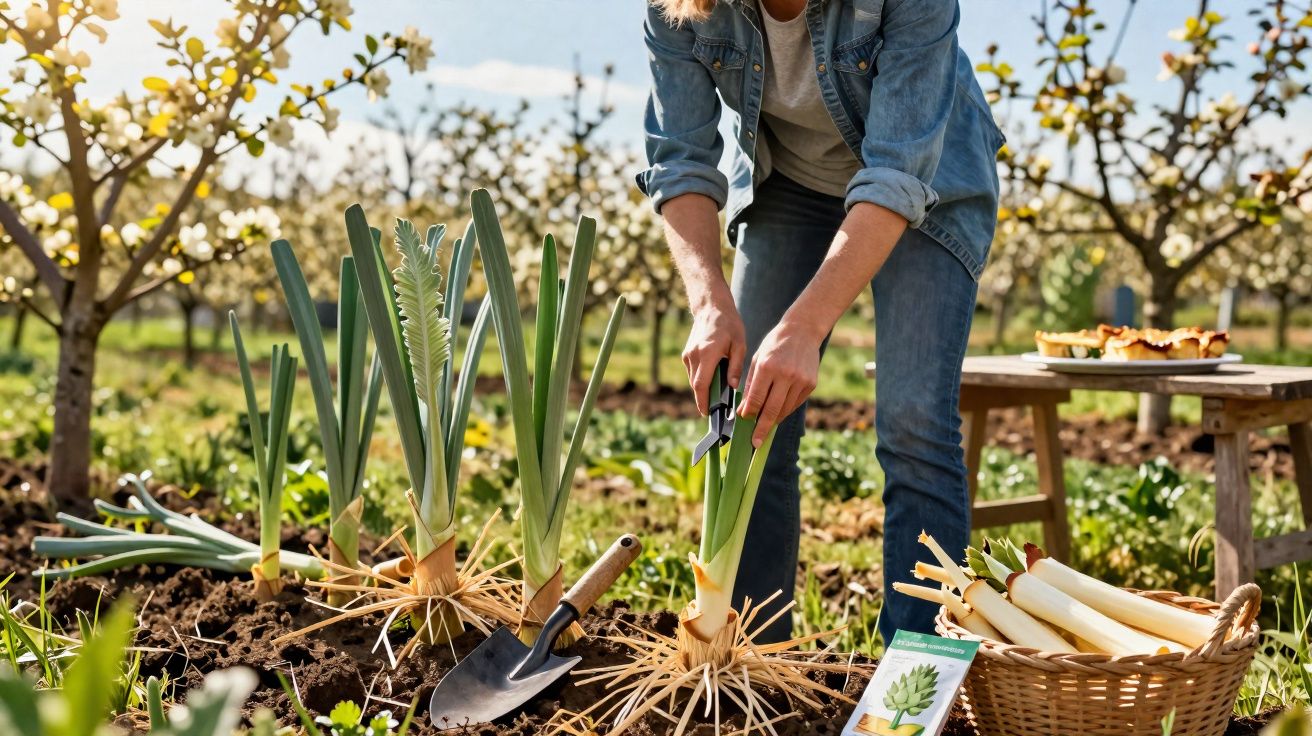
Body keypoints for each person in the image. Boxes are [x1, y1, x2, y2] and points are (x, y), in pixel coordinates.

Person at [639, 0, 1004, 644]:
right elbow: (681, 158)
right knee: (751, 422)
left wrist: (804, 329)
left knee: (915, 422)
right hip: (793, 185)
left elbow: (895, 172)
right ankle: (753, 661)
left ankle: (916, 675)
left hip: (929, 179)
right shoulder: (678, 7)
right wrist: (708, 303)